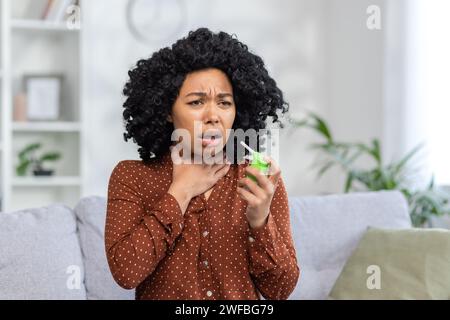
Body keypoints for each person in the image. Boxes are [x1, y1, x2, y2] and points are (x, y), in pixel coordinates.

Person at [105, 27, 299, 300]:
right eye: (196, 102)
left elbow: (281, 290)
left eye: (224, 103)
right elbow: (125, 272)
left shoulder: (259, 180)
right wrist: (180, 193)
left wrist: (260, 220)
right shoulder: (132, 176)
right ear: (167, 113)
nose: (213, 115)